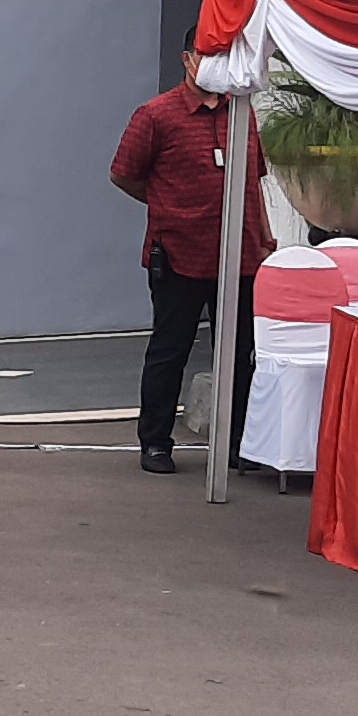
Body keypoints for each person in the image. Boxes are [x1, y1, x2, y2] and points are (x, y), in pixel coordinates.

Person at [108, 53, 266, 475]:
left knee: (238, 355)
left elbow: (255, 180)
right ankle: (156, 442)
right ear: (188, 60)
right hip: (180, 254)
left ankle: (237, 444)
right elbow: (123, 173)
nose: (215, 67)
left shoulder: (242, 115)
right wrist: (166, 206)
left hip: (242, 257)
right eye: (207, 57)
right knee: (170, 350)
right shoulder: (157, 115)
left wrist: (264, 240)